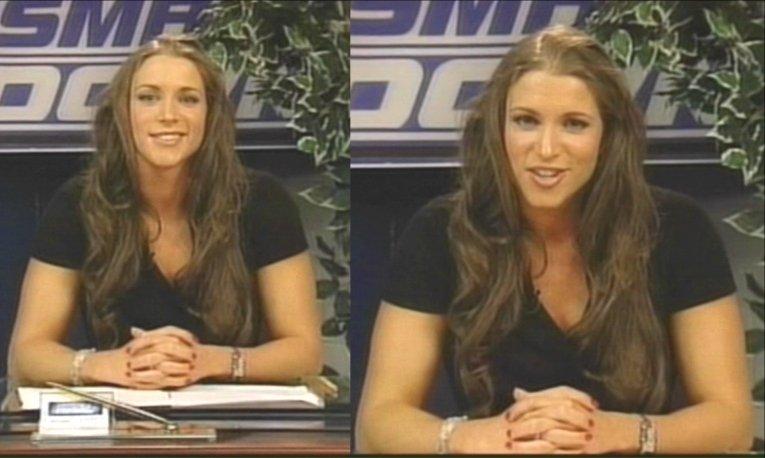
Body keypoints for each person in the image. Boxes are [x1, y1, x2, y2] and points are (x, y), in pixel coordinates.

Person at [355, 25, 752, 454]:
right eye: (526, 121)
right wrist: (477, 437)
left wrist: (615, 433)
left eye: (574, 124)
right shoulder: (441, 231)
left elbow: (731, 423)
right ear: (497, 128)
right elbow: (378, 424)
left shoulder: (675, 227)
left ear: (608, 136)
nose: (546, 149)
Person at [6, 35, 322, 395]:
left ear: (211, 115)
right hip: (122, 411)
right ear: (122, 113)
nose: (168, 115)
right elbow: (25, 355)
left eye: (188, 99)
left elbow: (305, 352)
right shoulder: (78, 203)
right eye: (148, 97)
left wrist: (207, 361)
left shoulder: (261, 199)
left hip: (236, 417)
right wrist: (109, 366)